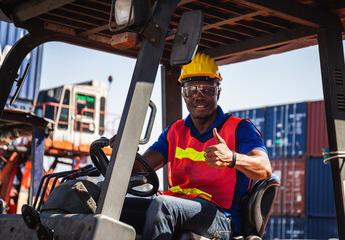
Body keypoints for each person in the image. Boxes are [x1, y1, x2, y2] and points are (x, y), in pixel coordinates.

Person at [114, 52, 272, 240]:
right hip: (178, 207)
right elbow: (142, 170)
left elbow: (264, 169)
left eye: (207, 89)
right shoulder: (174, 131)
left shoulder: (240, 128)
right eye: (191, 90)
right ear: (183, 93)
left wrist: (232, 158)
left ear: (218, 92)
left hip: (221, 216)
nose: (199, 96)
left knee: (163, 206)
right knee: (112, 205)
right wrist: (125, 151)